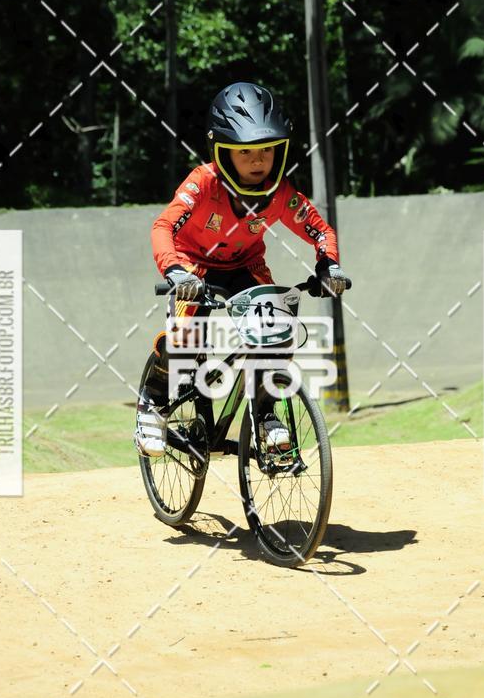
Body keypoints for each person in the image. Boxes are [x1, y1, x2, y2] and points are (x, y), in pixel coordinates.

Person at [135, 81, 349, 457]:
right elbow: (163, 227)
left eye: (267, 149)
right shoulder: (203, 182)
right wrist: (175, 272)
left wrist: (328, 264)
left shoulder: (279, 193)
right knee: (185, 339)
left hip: (244, 267)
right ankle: (152, 405)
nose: (258, 160)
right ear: (222, 151)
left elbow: (320, 230)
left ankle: (265, 414)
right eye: (246, 151)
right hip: (193, 267)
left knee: (274, 334)